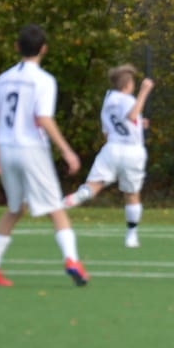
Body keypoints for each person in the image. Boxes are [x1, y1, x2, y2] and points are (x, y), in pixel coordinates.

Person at [0, 24, 88, 288]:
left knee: (15, 208)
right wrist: (67, 151)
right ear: (44, 49)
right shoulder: (44, 80)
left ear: (17, 47)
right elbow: (44, 118)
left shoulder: (3, 79)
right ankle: (72, 261)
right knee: (55, 208)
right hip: (31, 149)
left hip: (6, 148)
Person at [61, 63, 154, 248]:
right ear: (127, 84)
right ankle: (131, 236)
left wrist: (138, 123)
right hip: (132, 151)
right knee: (131, 194)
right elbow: (131, 115)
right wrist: (144, 92)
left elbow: (110, 129)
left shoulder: (109, 99)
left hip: (111, 148)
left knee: (93, 185)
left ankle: (74, 198)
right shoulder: (128, 99)